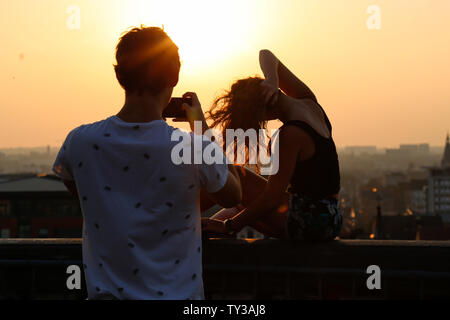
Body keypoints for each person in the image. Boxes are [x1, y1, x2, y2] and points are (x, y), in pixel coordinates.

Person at [52, 26, 241, 300]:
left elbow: (77, 189)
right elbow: (233, 194)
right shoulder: (191, 146)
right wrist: (200, 126)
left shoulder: (79, 142)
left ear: (119, 75)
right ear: (175, 76)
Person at [202, 49, 342, 241]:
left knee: (234, 176)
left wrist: (229, 226)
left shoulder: (291, 134)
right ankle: (199, 228)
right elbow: (266, 54)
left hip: (309, 222)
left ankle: (174, 217)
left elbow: (271, 197)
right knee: (233, 206)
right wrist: (272, 79)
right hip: (329, 219)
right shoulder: (310, 102)